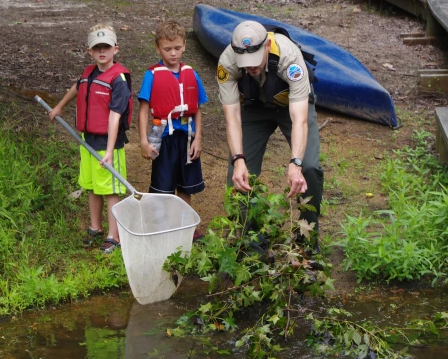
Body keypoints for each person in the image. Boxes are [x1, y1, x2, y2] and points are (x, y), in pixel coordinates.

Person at [216, 20, 323, 249]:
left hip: (291, 106)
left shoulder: (289, 59)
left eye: (254, 62)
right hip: (254, 108)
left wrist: (296, 162)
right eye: (246, 64)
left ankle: (307, 240)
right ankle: (251, 243)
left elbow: (300, 119)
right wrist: (238, 159)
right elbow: (232, 117)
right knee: (238, 175)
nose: (251, 68)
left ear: (266, 46)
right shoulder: (227, 63)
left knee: (310, 167)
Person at [49, 24, 133, 254]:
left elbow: (115, 116)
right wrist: (58, 107)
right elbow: (78, 87)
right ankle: (95, 228)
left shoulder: (118, 80)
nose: (102, 51)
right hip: (88, 140)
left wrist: (108, 150)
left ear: (116, 49)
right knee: (92, 187)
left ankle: (113, 236)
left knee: (110, 190)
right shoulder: (89, 72)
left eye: (106, 47)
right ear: (90, 51)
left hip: (108, 143)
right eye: (97, 48)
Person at [137, 21, 207, 226]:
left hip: (187, 139)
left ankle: (185, 227)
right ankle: (161, 227)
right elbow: (143, 110)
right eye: (167, 49)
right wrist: (143, 140)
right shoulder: (151, 75)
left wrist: (198, 138)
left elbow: (197, 109)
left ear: (184, 45)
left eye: (177, 48)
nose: (173, 54)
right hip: (164, 138)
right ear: (158, 48)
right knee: (162, 188)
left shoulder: (191, 74)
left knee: (185, 187)